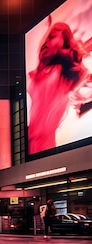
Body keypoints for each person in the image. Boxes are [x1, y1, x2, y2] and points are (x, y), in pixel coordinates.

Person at [27, 22, 89, 154]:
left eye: (52, 37)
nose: (47, 41)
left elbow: (78, 67)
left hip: (44, 148)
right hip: (31, 148)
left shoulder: (60, 72)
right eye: (47, 37)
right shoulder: (35, 75)